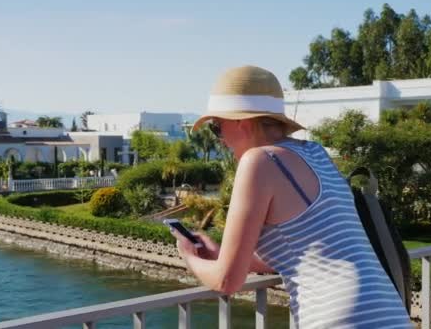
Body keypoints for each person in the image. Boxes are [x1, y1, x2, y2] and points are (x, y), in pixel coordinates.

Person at [172, 66, 411, 328]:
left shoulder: (259, 161)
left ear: (240, 121)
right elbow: (309, 249)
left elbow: (227, 281)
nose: (221, 140)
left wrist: (189, 257)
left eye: (217, 128)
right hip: (387, 312)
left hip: (339, 318)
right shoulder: (315, 153)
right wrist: (224, 254)